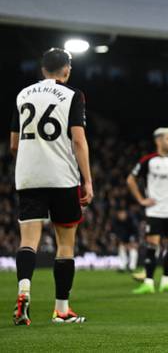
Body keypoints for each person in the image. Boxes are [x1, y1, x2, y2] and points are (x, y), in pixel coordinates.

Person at [11, 48, 94, 325]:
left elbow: (13, 144)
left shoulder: (22, 95)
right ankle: (61, 309)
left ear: (42, 69)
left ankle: (24, 290)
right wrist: (88, 180)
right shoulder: (73, 95)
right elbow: (79, 140)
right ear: (67, 70)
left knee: (28, 241)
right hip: (62, 178)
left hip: (29, 176)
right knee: (65, 244)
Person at [127, 128, 168, 294]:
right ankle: (148, 283)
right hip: (155, 211)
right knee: (152, 245)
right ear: (159, 141)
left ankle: (166, 281)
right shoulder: (148, 161)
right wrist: (141, 200)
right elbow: (130, 179)